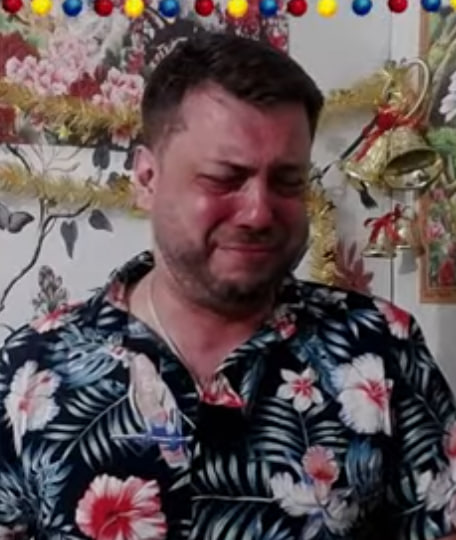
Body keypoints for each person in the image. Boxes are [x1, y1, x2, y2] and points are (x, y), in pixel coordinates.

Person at [0, 31, 455, 540]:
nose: (259, 212)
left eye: (287, 182)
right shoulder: (29, 371)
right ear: (147, 179)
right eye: (223, 178)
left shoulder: (383, 348)